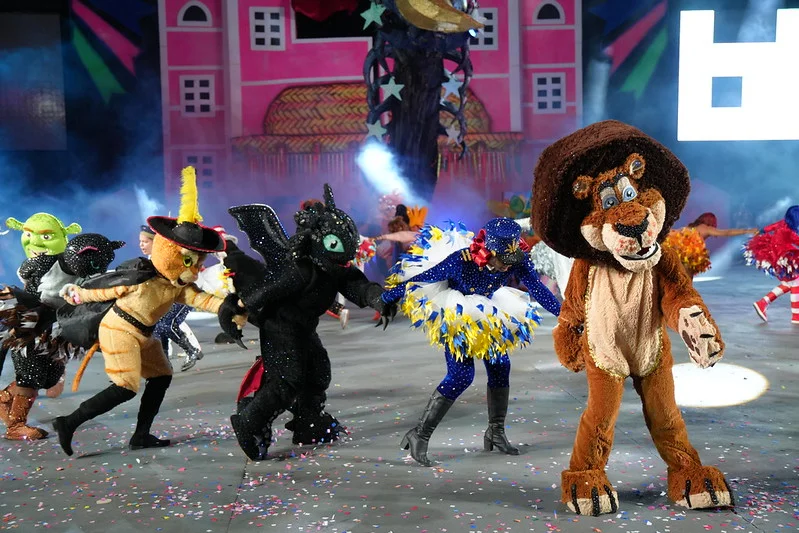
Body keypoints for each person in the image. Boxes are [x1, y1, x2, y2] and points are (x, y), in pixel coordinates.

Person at [52, 167, 247, 455]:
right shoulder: (141, 278)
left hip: (144, 334)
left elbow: (201, 299)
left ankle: (141, 435)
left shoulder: (175, 284)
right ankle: (68, 422)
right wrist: (77, 294)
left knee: (161, 377)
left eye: (197, 263)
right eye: (189, 261)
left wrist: (229, 307)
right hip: (119, 330)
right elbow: (105, 290)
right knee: (125, 386)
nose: (194, 270)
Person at [224, 184, 397, 461]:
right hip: (279, 327)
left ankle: (308, 421)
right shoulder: (300, 270)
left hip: (303, 327)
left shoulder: (336, 270)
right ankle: (250, 422)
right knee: (287, 380)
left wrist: (379, 299)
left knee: (318, 371)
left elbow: (358, 286)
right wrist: (236, 307)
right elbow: (264, 292)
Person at [381, 218, 561, 466]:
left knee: (500, 367)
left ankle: (495, 432)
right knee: (461, 376)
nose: (507, 267)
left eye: (511, 260)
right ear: (487, 252)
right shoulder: (460, 261)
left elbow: (538, 289)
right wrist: (384, 299)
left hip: (490, 312)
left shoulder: (515, 261)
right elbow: (422, 278)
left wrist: (566, 315)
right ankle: (419, 434)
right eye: (503, 260)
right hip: (459, 314)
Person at [140, 224, 203, 371]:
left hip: (184, 295)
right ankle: (165, 363)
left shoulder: (167, 257)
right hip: (170, 297)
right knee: (158, 327)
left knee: (167, 324)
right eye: (140, 242)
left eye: (145, 242)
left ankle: (192, 350)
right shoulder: (151, 259)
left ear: (155, 242)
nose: (141, 245)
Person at [745, 205, 799, 324]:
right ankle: (796, 316)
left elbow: (771, 227)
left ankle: (763, 303)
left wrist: (762, 231)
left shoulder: (783, 223)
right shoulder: (788, 231)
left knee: (789, 284)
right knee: (796, 283)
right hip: (784, 258)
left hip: (777, 256)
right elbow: (797, 240)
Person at [664, 212, 758, 278]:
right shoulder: (707, 228)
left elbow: (675, 233)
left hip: (676, 247)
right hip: (688, 252)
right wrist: (747, 231)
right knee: (687, 275)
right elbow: (726, 232)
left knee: (680, 274)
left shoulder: (691, 227)